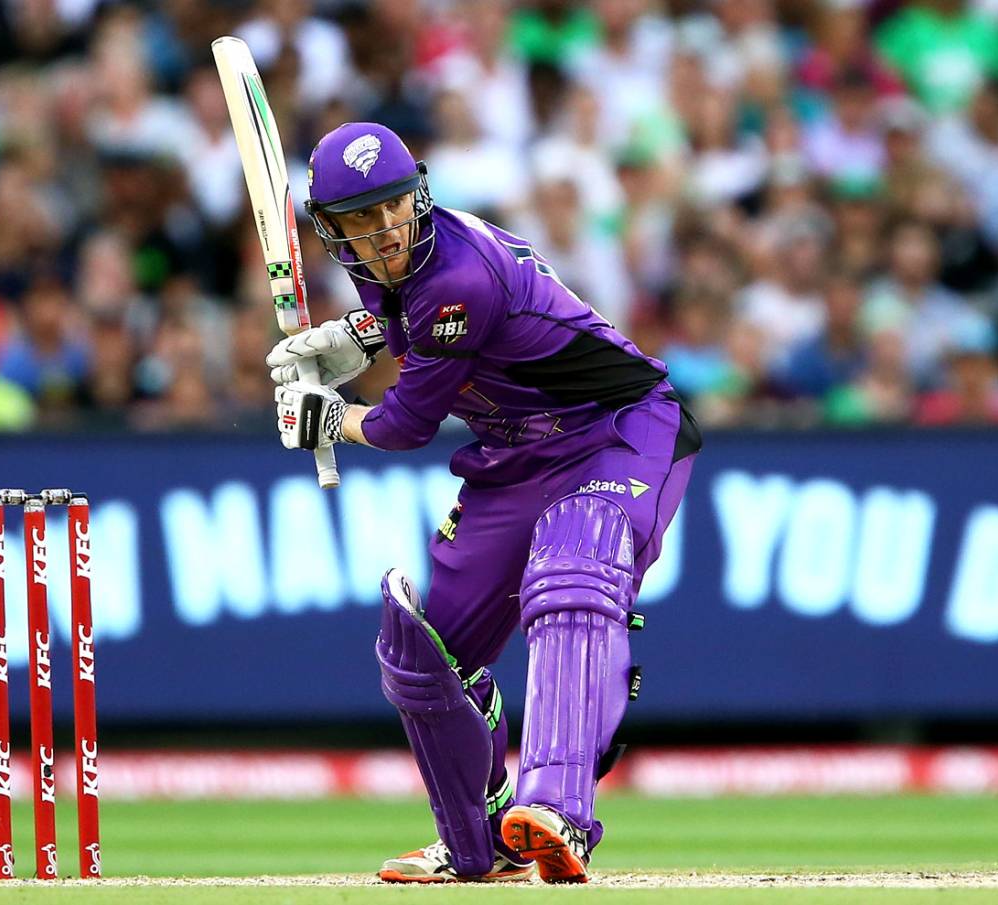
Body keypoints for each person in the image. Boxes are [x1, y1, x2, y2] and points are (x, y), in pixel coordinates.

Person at [266, 123, 700, 884]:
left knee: (574, 567)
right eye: (361, 220)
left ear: (420, 194)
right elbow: (407, 316)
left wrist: (329, 417)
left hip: (615, 427)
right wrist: (358, 337)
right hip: (513, 452)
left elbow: (403, 425)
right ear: (332, 230)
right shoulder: (393, 275)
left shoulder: (457, 276)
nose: (385, 231)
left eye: (394, 207)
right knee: (425, 657)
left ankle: (558, 809)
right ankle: (482, 841)